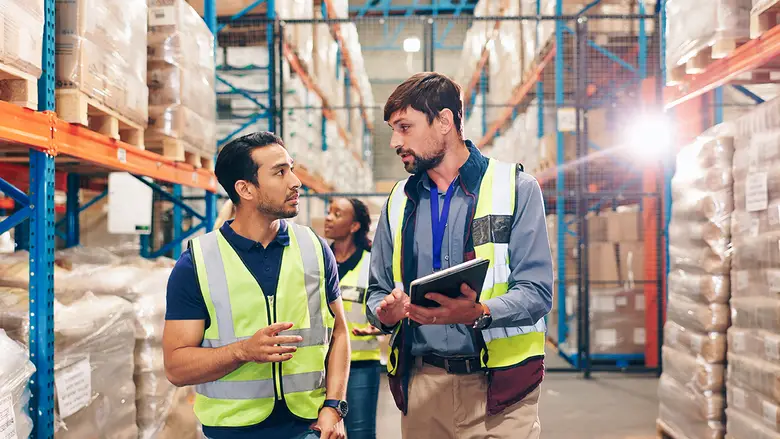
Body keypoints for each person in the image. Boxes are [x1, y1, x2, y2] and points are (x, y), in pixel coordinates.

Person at [366, 72, 553, 439]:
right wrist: (383, 312)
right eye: (392, 130)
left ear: (445, 121)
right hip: (423, 386)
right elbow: (377, 289)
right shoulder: (398, 201)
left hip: (502, 391)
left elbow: (537, 291)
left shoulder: (516, 189)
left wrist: (480, 312)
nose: (394, 141)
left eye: (405, 127)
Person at [162, 132, 351, 439]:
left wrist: (334, 406)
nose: (295, 181)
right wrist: (242, 351)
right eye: (280, 172)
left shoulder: (315, 249)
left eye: (291, 168)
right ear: (245, 189)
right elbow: (176, 367)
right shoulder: (196, 264)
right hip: (232, 432)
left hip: (308, 428)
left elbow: (340, 331)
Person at [324, 197, 382, 439]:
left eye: (337, 214)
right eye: (329, 212)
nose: (328, 218)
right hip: (320, 365)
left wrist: (381, 326)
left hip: (361, 364)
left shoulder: (373, 263)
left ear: (354, 226)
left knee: (360, 433)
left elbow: (386, 305)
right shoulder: (317, 259)